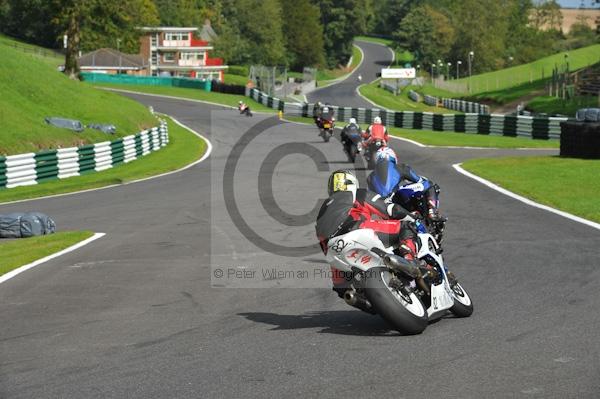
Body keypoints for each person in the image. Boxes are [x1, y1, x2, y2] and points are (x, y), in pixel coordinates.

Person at [315, 170, 419, 264]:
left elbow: (320, 236)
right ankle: (410, 260)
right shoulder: (359, 193)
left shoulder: (324, 207)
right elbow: (392, 209)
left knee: (340, 284)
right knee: (406, 226)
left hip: (332, 249)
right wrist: (413, 218)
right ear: (352, 183)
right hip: (355, 229)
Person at [368, 148, 441, 221]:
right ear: (393, 157)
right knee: (428, 184)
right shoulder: (401, 167)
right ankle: (432, 212)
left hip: (379, 206)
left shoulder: (370, 176)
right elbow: (419, 180)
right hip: (392, 203)